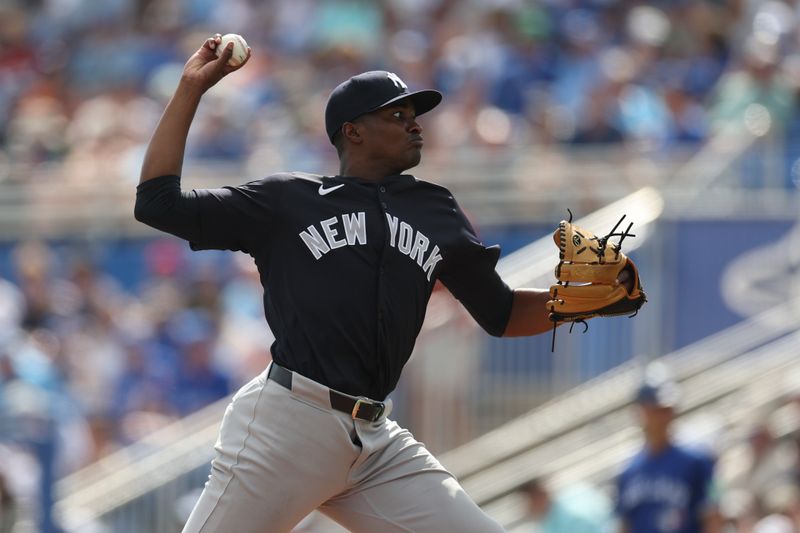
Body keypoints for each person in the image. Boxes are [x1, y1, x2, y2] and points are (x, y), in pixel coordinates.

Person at [134, 34, 617, 532]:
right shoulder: (289, 201)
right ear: (353, 132)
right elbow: (156, 203)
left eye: (414, 113)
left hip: (375, 440)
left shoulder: (436, 210)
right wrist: (191, 88)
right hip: (288, 423)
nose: (414, 123)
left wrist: (588, 298)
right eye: (396, 115)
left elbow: (503, 313)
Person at [615, 371, 723, 533]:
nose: (664, 417)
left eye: (667, 410)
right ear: (640, 411)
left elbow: (713, 517)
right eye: (656, 410)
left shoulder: (697, 461)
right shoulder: (628, 470)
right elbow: (624, 524)